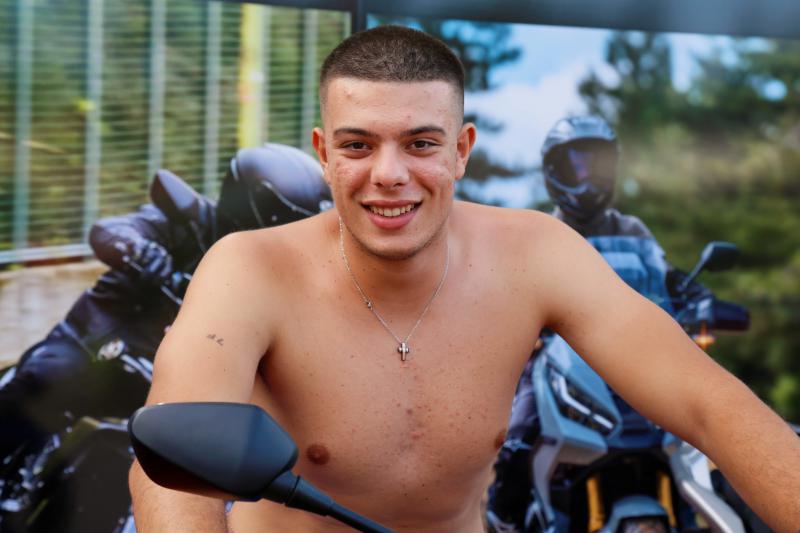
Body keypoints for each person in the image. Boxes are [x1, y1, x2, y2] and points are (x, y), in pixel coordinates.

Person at [129, 26, 800, 533]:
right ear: (324, 153)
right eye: (358, 145)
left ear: (461, 150)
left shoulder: (536, 253)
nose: (389, 174)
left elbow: (713, 405)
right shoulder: (249, 269)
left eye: (420, 143)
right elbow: (171, 468)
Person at [0, 143, 332, 460]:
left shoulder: (271, 276)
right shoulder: (185, 224)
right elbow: (109, 230)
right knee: (47, 378)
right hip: (95, 348)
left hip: (168, 378)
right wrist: (140, 253)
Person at [486, 115, 695, 531]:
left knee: (703, 434)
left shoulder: (633, 231)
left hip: (637, 362)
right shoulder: (540, 232)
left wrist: (700, 300)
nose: (586, 178)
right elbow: (509, 289)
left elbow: (671, 280)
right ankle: (503, 517)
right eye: (575, 166)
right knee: (519, 433)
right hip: (557, 359)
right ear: (553, 172)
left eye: (596, 166)